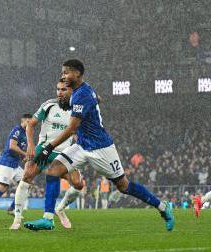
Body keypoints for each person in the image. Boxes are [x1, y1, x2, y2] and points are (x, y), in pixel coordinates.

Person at [26, 59, 174, 232]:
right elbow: (98, 98)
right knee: (54, 170)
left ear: (78, 74)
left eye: (66, 72)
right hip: (82, 145)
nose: (63, 76)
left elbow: (72, 128)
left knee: (123, 186)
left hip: (101, 148)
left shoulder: (82, 95)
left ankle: (162, 207)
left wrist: (48, 147)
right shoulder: (82, 90)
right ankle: (48, 219)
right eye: (62, 72)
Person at [11, 79, 87, 230]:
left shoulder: (77, 109)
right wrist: (32, 146)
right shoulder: (49, 105)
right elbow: (30, 125)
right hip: (44, 149)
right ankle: (17, 218)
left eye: (63, 90)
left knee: (79, 185)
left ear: (72, 91)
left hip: (65, 153)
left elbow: (78, 131)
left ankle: (60, 209)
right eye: (58, 89)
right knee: (26, 176)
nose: (59, 93)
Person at [0, 114, 31, 220]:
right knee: (3, 188)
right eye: (29, 122)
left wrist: (22, 156)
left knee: (26, 184)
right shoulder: (17, 130)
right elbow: (12, 146)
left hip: (15, 164)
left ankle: (12, 208)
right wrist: (24, 154)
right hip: (7, 163)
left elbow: (18, 149)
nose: (31, 124)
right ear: (24, 121)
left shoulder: (26, 133)